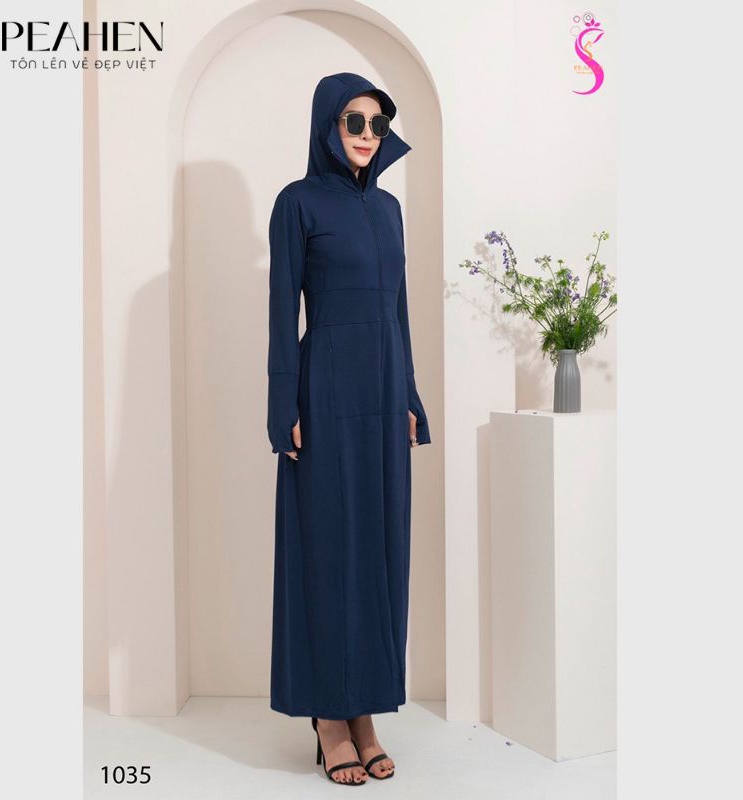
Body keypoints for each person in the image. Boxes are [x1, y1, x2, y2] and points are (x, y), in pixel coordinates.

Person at [266, 72, 431, 785]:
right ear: (327, 127)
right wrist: (283, 405)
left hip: (384, 388)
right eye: (353, 121)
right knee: (327, 546)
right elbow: (282, 310)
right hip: (326, 389)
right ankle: (329, 719)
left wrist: (410, 394)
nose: (367, 135)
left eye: (376, 123)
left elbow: (398, 310)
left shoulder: (390, 209)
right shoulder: (297, 203)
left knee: (379, 547)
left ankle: (364, 709)